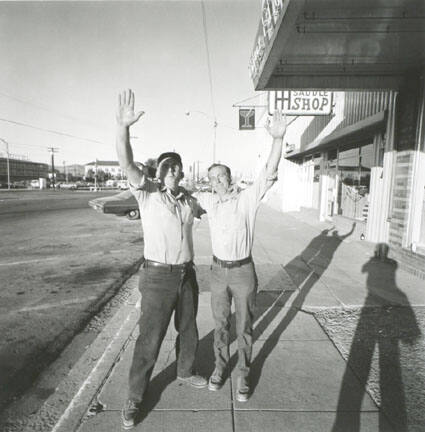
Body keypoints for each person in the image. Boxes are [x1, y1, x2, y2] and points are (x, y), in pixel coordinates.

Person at [116, 89, 207, 429]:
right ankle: (135, 397)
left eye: (179, 170)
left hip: (186, 275)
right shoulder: (148, 194)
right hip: (157, 278)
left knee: (189, 329)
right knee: (149, 340)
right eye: (170, 168)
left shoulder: (186, 201)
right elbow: (126, 162)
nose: (175, 173)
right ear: (160, 171)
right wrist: (123, 128)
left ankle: (185, 371)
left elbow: (214, 207)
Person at [196, 109, 286, 402]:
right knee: (220, 324)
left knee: (244, 325)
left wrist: (278, 139)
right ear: (209, 182)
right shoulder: (208, 201)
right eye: (212, 178)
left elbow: (268, 171)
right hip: (218, 272)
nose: (217, 181)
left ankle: (243, 373)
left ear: (230, 177)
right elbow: (175, 196)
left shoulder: (247, 199)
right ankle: (220, 367)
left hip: (243, 272)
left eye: (221, 176)